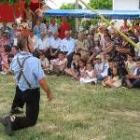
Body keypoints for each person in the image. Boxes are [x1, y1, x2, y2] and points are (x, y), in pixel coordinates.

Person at [0, 37, 53, 136]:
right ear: (26, 46)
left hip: (20, 91)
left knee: (25, 105)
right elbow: (42, 82)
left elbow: (11, 70)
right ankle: (10, 121)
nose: (33, 45)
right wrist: (49, 92)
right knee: (31, 120)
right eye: (32, 43)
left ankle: (13, 112)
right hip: (31, 93)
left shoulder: (15, 58)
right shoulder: (34, 60)